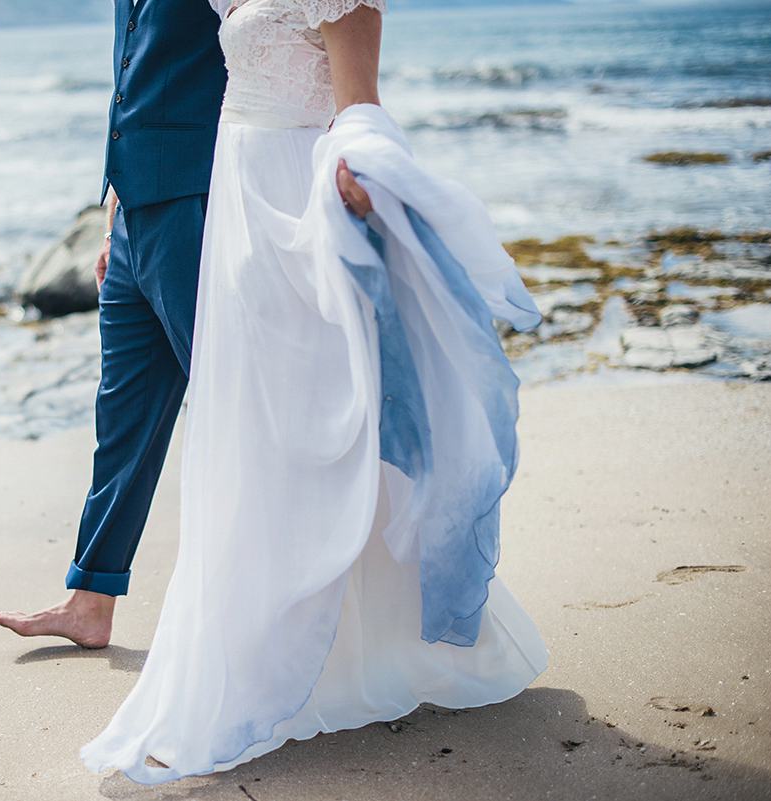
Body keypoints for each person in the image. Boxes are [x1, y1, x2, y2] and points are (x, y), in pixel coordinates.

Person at [78, 0, 549, 784]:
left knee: (307, 436)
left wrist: (360, 172)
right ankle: (272, 659)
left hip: (301, 213)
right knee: (250, 437)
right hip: (238, 210)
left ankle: (302, 664)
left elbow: (358, 106)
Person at [0, 0, 377, 648]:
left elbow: (267, 60)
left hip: (202, 207)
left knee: (246, 415)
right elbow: (131, 76)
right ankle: (90, 599)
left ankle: (312, 609)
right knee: (123, 415)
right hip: (134, 209)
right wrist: (114, 203)